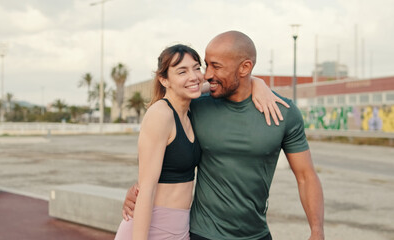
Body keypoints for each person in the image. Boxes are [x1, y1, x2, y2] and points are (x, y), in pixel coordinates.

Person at [122, 31, 324, 240]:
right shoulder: (197, 107)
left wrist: (317, 231)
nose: (207, 74)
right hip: (202, 233)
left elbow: (306, 176)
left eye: (215, 66)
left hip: (257, 234)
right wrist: (139, 189)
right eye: (206, 65)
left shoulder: (283, 112)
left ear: (245, 67)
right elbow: (162, 156)